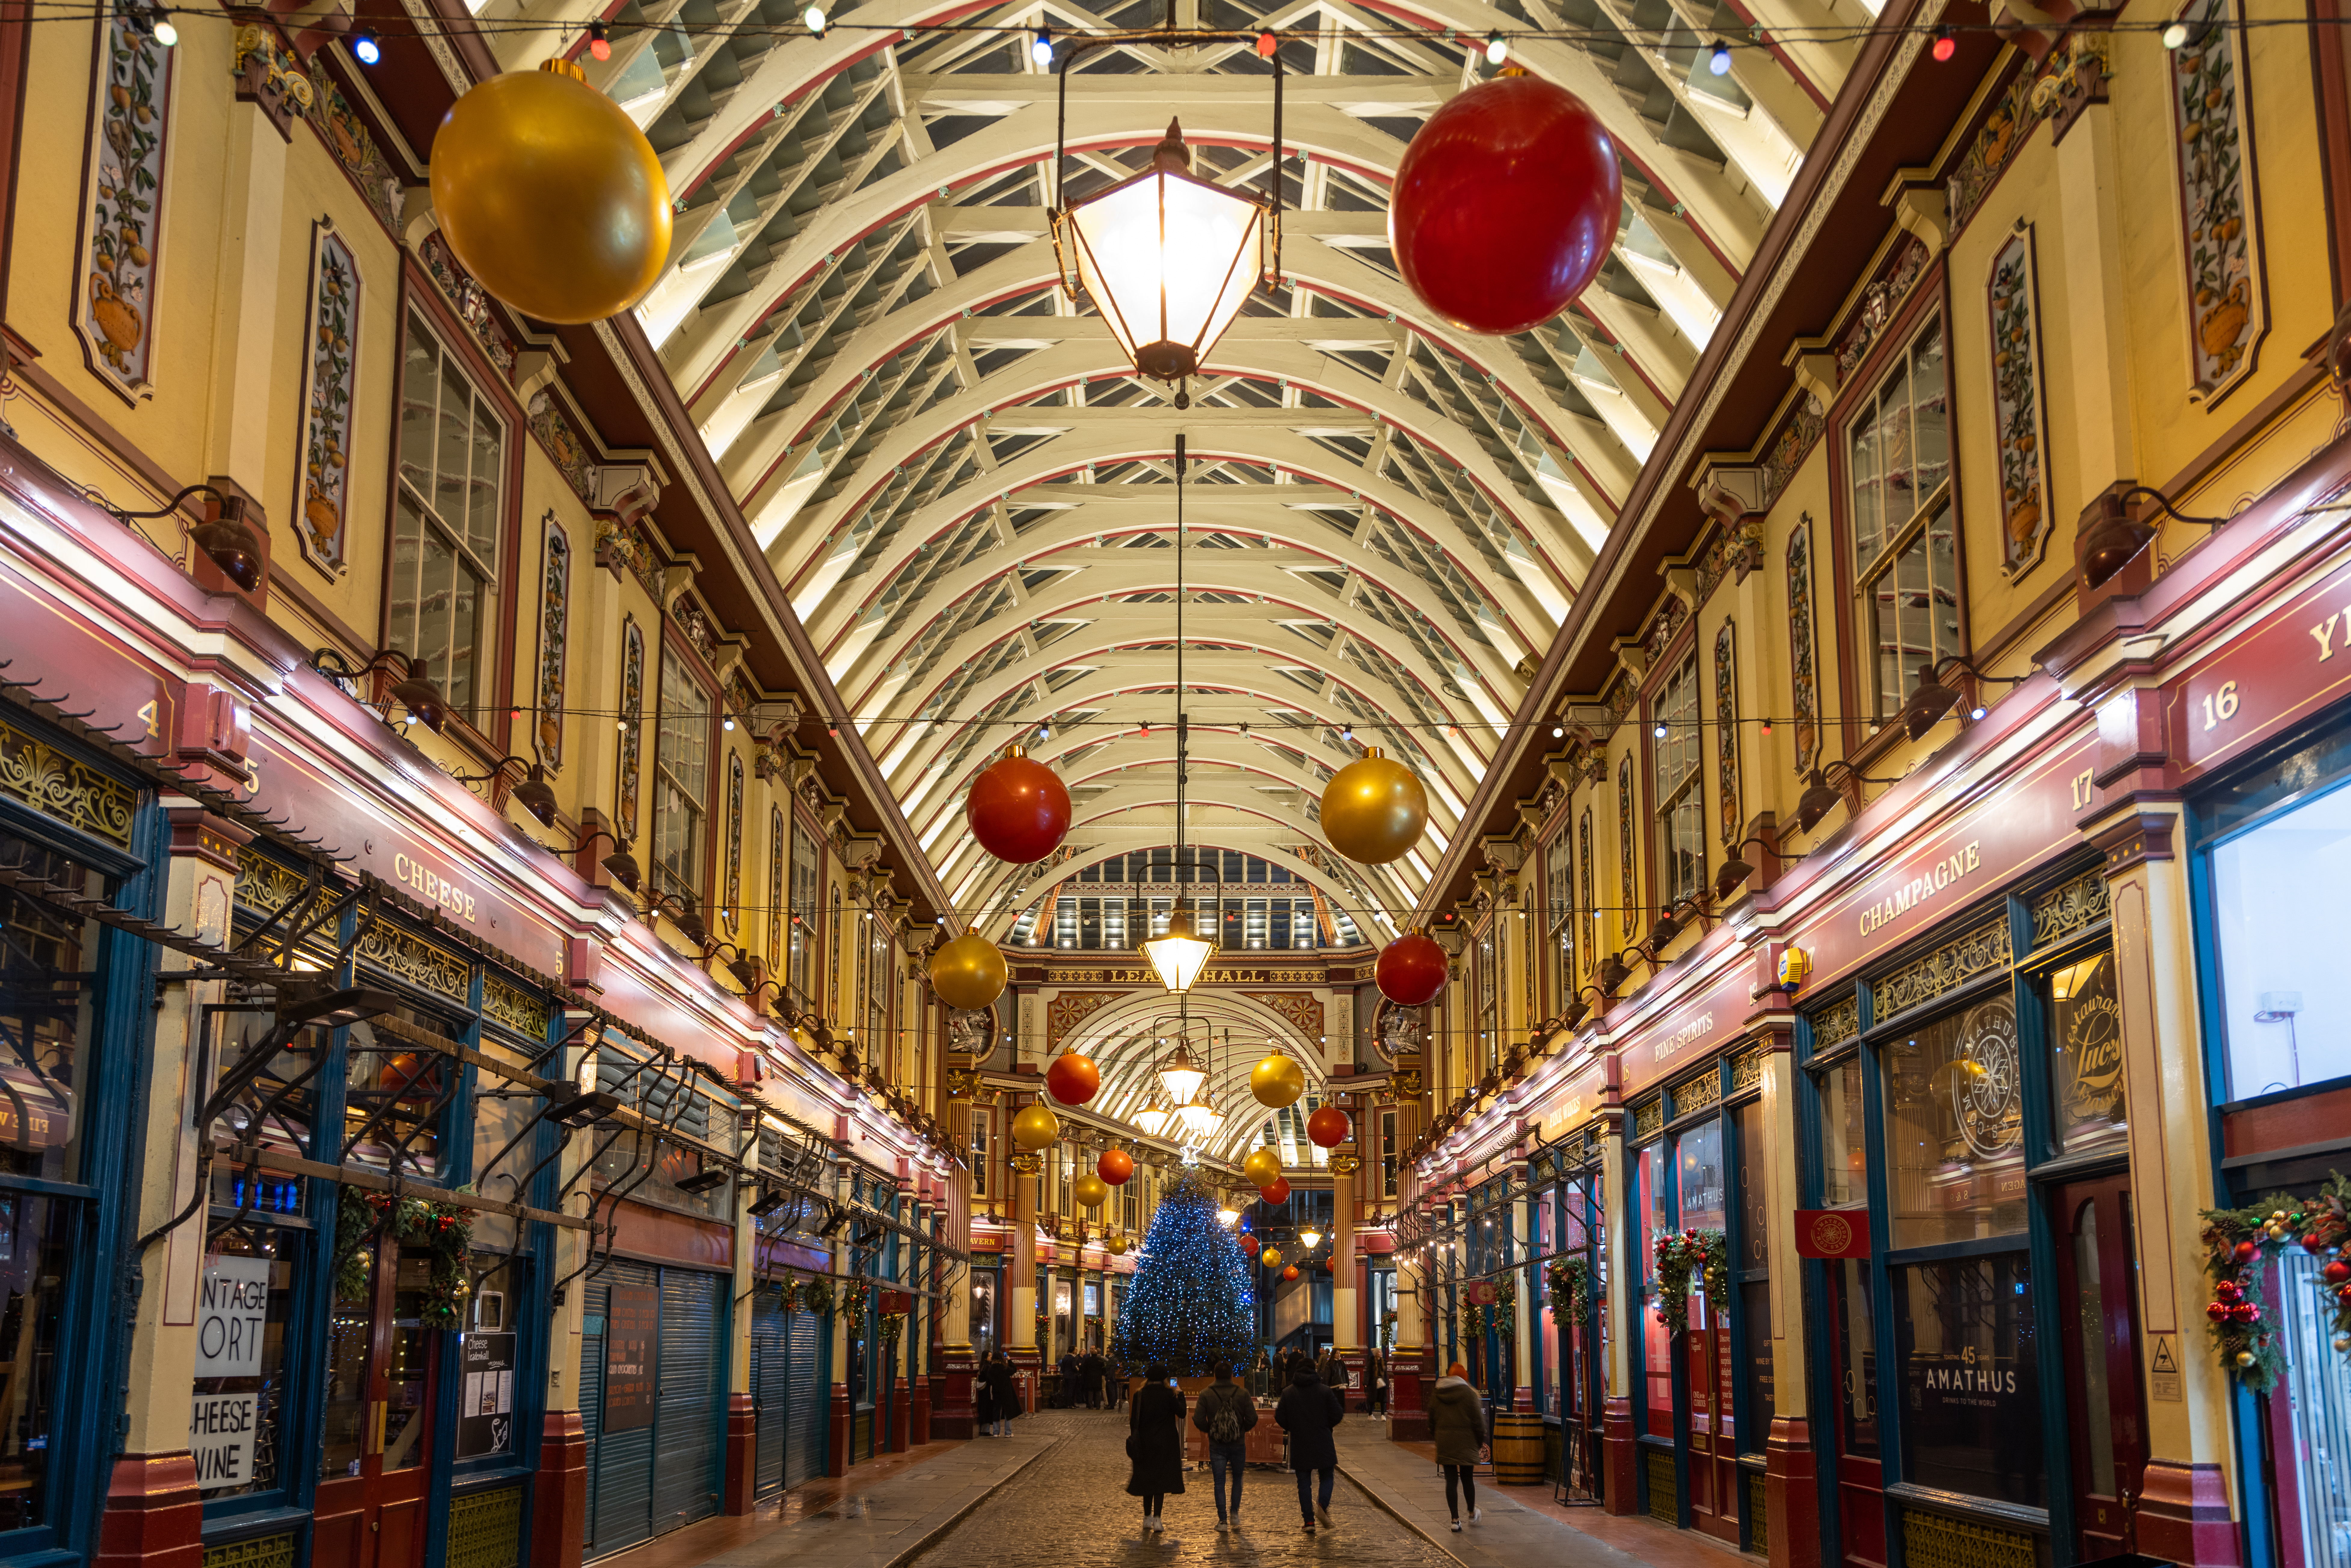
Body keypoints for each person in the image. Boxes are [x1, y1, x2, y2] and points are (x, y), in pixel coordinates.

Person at [1274, 1355, 1343, 1534]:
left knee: (1304, 1482)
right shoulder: (1325, 1391)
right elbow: (1338, 1414)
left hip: (1300, 1441)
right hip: (1323, 1440)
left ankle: (1309, 1521)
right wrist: (1326, 1426)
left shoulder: (1288, 1392)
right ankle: (1322, 1505)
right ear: (1314, 1371)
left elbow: (1279, 1417)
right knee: (1327, 1475)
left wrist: (1293, 1427)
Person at [1192, 1359, 1259, 1530]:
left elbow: (1198, 1419)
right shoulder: (1242, 1393)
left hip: (1217, 1445)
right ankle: (1235, 1513)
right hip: (1238, 1444)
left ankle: (1222, 1521)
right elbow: (1253, 1418)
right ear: (1232, 1375)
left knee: (1219, 1482)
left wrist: (1211, 1431)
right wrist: (1241, 1431)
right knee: (1237, 1478)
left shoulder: (1206, 1394)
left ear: (1215, 1375)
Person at [1427, 1361, 1488, 1531]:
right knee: (1468, 1479)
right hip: (1466, 1442)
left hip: (1446, 1442)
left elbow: (1431, 1421)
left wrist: (1439, 1438)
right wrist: (1477, 1443)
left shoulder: (1438, 1393)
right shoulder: (1469, 1394)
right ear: (1464, 1378)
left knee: (1451, 1481)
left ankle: (1455, 1521)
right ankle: (1472, 1513)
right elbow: (1479, 1423)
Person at [1127, 1361, 1187, 1531]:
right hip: (1165, 1443)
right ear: (1164, 1378)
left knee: (1148, 1479)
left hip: (1145, 1443)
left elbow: (1134, 1421)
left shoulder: (1139, 1395)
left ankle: (1147, 1517)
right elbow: (1182, 1413)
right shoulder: (1169, 1395)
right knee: (1161, 1480)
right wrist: (1180, 1395)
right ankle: (1158, 1519)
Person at [975, 1350, 998, 1436]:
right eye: (989, 1356)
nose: (991, 1357)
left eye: (991, 1355)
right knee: (986, 1409)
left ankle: (981, 1430)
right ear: (985, 1358)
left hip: (982, 1391)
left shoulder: (982, 1366)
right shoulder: (988, 1367)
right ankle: (985, 1431)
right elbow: (990, 1378)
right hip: (987, 1391)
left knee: (982, 1409)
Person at [1365, 1349, 1390, 1420]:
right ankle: (1370, 1415)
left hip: (1382, 1383)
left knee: (1383, 1400)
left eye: (1381, 1352)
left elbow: (1385, 1374)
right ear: (1376, 1354)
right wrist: (1366, 1383)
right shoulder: (1371, 1362)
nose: (1381, 1353)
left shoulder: (1384, 1362)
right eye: (1379, 1352)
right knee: (1372, 1400)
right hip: (1373, 1383)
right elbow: (1368, 1373)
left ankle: (1383, 1415)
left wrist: (1387, 1384)